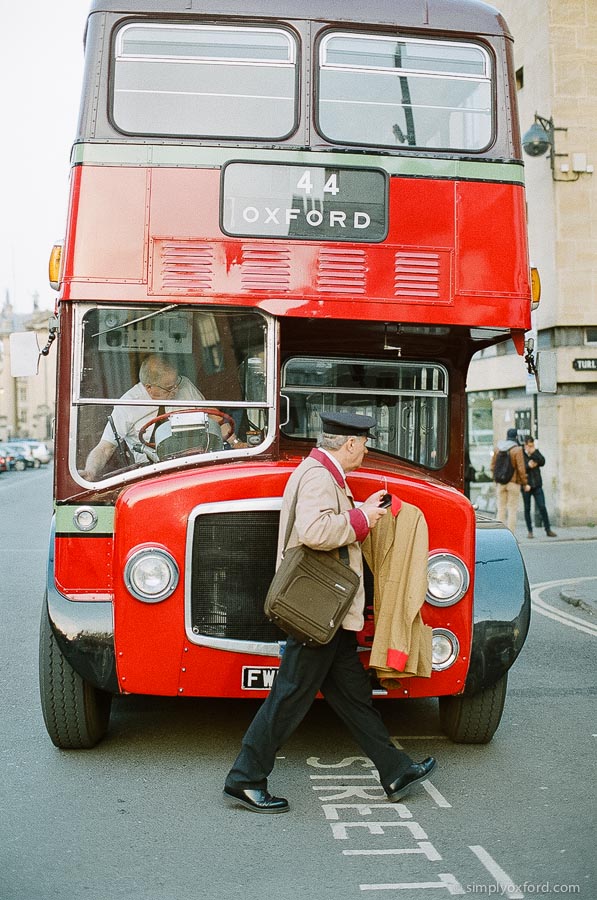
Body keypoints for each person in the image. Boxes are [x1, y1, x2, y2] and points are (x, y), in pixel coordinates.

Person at [223, 410, 437, 814]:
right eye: (364, 442)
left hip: (327, 611)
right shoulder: (320, 477)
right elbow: (316, 532)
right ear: (350, 444)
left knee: (354, 698)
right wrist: (362, 518)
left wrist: (363, 508)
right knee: (288, 698)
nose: (367, 448)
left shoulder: (322, 472)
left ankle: (395, 770)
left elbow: (326, 521)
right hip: (316, 610)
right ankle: (245, 778)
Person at [81, 354, 234, 480]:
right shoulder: (127, 404)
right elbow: (105, 448)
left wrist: (235, 442)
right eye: (169, 388)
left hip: (194, 462)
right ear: (149, 387)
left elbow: (213, 416)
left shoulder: (184, 385)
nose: (175, 390)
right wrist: (90, 471)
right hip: (150, 473)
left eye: (176, 383)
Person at [490, 428, 530, 534]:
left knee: (501, 508)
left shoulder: (498, 448)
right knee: (512, 509)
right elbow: (521, 469)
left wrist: (496, 480)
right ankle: (510, 534)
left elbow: (493, 466)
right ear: (516, 437)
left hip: (500, 483)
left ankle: (499, 533)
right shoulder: (517, 449)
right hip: (513, 483)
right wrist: (525, 483)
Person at [522, 436, 556, 538]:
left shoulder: (535, 453)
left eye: (532, 446)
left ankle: (548, 529)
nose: (531, 447)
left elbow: (542, 461)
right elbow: (520, 468)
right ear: (525, 445)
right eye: (529, 446)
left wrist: (534, 452)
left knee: (542, 506)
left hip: (537, 484)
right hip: (526, 485)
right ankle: (530, 531)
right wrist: (528, 466)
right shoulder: (521, 454)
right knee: (527, 509)